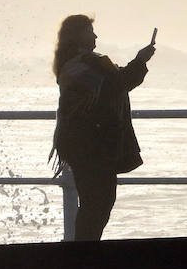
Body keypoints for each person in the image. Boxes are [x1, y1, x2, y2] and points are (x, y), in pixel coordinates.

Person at [51, 15, 156, 241]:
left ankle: (84, 256)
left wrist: (139, 63)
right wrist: (139, 61)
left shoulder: (82, 64)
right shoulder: (79, 67)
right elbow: (118, 84)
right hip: (89, 147)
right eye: (90, 31)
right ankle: (83, 258)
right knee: (96, 204)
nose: (95, 35)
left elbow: (117, 82)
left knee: (97, 204)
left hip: (93, 146)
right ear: (77, 35)